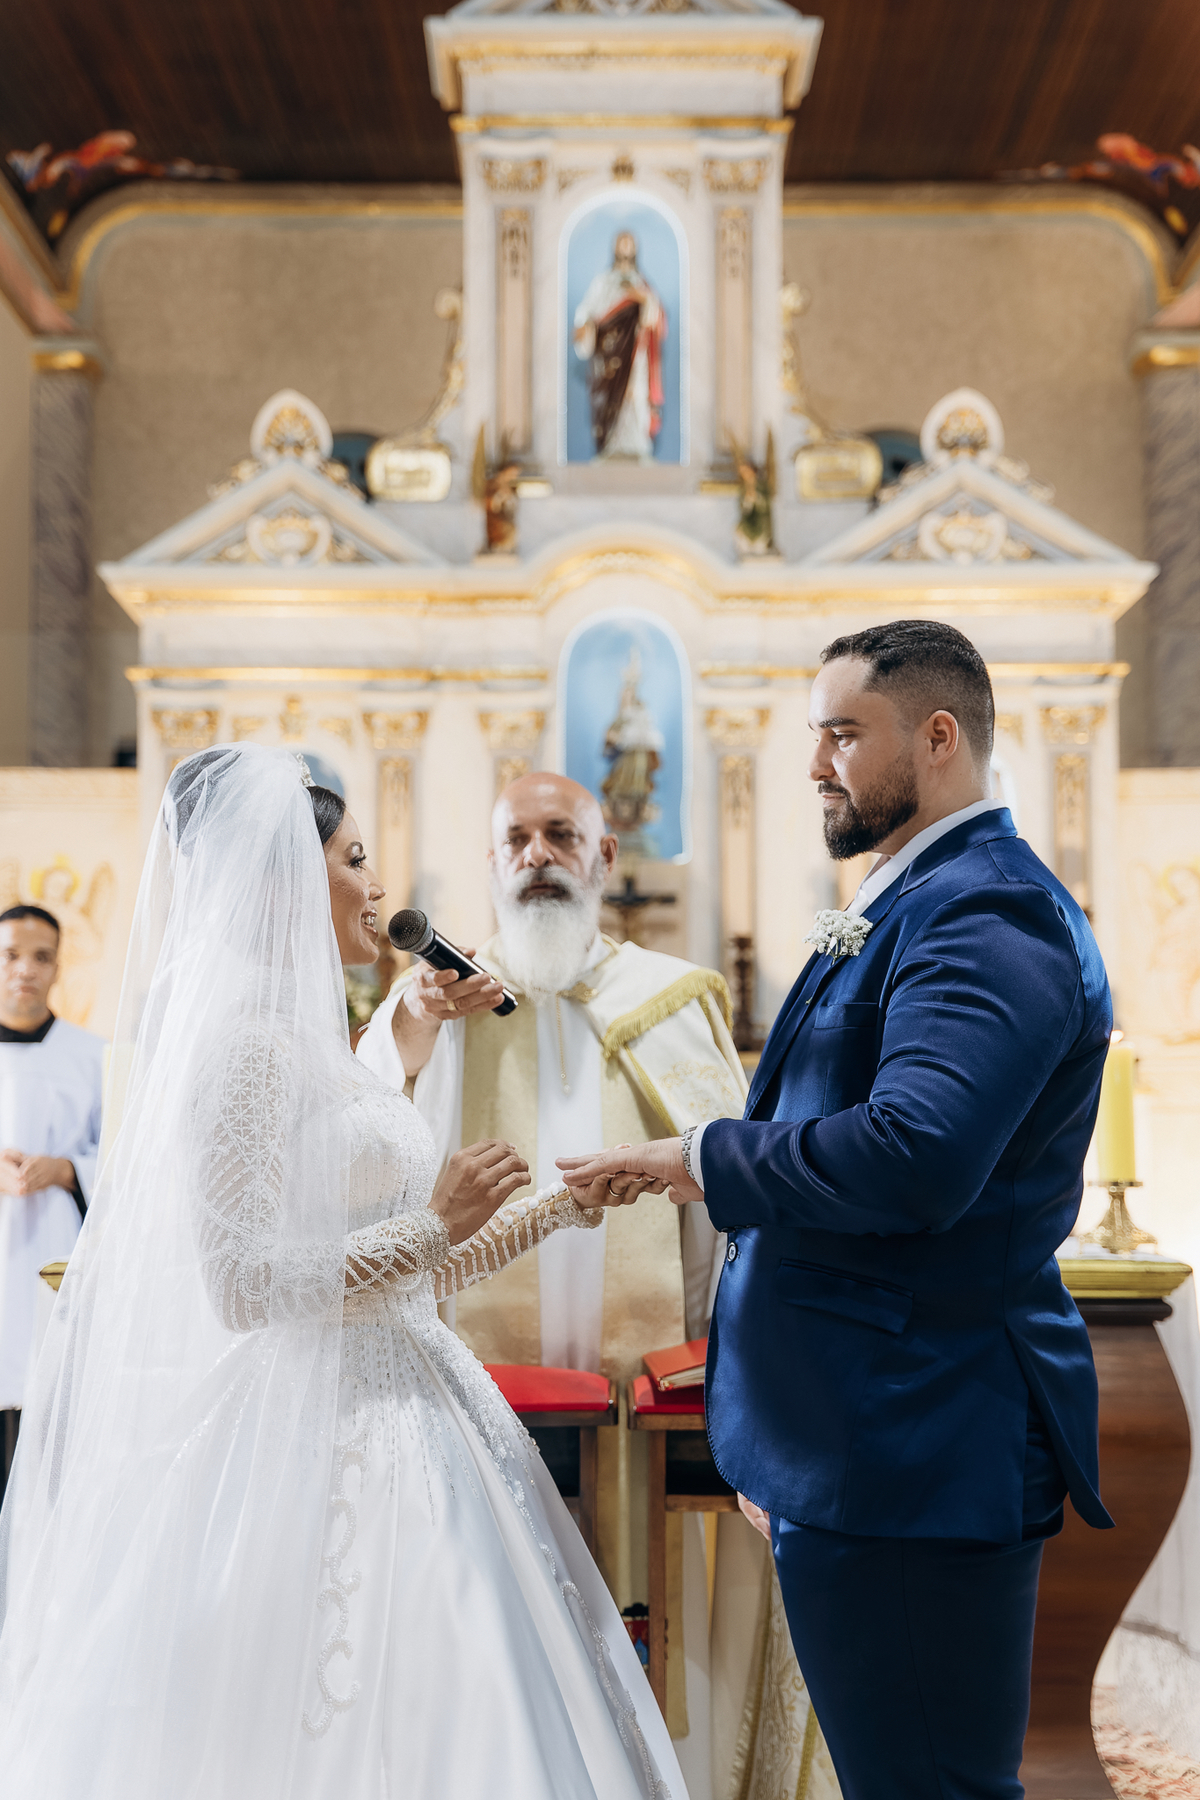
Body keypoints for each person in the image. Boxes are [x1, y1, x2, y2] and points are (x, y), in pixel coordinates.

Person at [0, 745, 684, 1800]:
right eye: (355, 858)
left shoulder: (315, 1041)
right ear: (283, 877)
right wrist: (436, 1222)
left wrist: (555, 1206)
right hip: (312, 1434)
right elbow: (243, 1288)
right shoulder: (238, 1049)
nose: (379, 883)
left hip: (414, 1401)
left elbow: (401, 1270)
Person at [558, 619, 1115, 1800]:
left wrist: (698, 1156)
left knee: (928, 1784)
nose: (815, 762)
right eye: (814, 734)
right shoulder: (918, 894)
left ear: (942, 738)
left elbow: (914, 1155)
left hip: (917, 1438)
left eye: (844, 734)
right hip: (858, 1439)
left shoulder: (987, 913)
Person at [357, 771, 757, 1774]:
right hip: (486, 1371)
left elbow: (733, 1201)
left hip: (653, 1378)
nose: (538, 855)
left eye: (560, 835)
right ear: (490, 863)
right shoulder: (439, 998)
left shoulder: (674, 1000)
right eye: (517, 839)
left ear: (603, 856)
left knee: (659, 1621)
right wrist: (414, 1022)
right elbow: (365, 1134)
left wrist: (724, 1352)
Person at [0, 904, 104, 1501]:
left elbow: (124, 1162)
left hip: (53, 1256)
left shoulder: (92, 1055)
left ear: (58, 967)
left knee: (50, 1432)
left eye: (40, 957)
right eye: (10, 955)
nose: (25, 971)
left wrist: (67, 1168)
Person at [573, 231, 666, 461]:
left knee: (634, 397)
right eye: (621, 243)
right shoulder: (603, 282)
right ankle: (611, 445)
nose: (625, 247)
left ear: (635, 249)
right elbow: (587, 314)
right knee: (611, 401)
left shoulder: (642, 283)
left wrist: (643, 300)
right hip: (609, 358)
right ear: (615, 248)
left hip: (634, 357)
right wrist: (585, 328)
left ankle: (636, 445)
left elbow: (655, 320)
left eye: (629, 243)